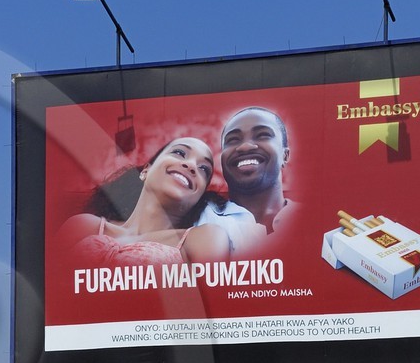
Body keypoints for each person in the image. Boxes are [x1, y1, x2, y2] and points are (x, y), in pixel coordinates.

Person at [58, 137, 233, 266]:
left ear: (198, 197)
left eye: (204, 169)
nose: (192, 166)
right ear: (145, 171)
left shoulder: (204, 238)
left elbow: (210, 310)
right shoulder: (82, 226)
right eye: (179, 153)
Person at [196, 106, 297, 255]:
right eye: (233, 140)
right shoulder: (194, 219)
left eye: (262, 135)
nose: (245, 146)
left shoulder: (315, 219)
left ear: (285, 155)